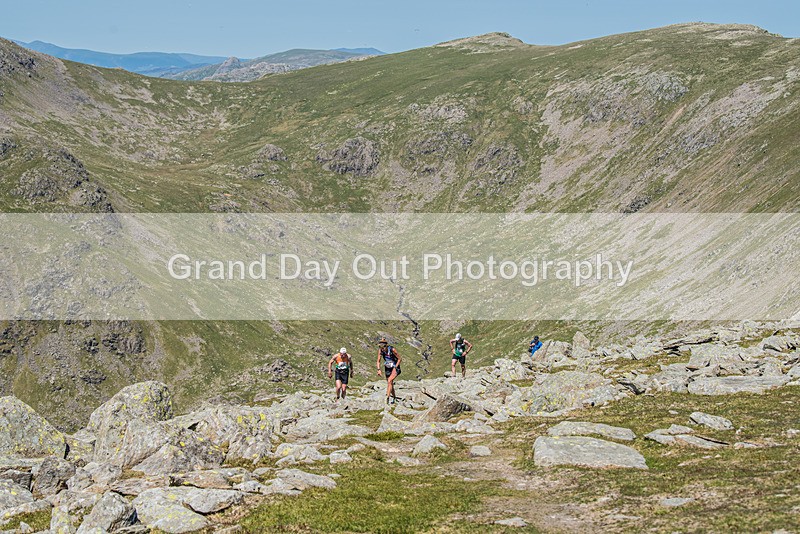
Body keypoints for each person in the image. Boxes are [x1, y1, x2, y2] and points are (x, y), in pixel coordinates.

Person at [376, 337, 401, 405]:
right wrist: (378, 370)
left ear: (386, 345)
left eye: (383, 347)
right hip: (387, 367)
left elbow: (399, 359)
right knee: (390, 383)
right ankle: (395, 398)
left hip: (395, 366)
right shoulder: (380, 351)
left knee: (390, 380)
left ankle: (387, 397)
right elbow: (378, 361)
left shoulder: (392, 349)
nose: (382, 348)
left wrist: (395, 367)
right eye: (380, 347)